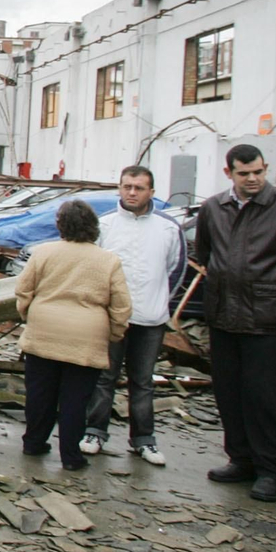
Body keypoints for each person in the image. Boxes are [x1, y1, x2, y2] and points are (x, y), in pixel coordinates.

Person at [196, 144, 276, 502]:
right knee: (229, 394)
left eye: (258, 172)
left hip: (270, 323)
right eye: (244, 173)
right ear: (229, 173)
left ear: (265, 168)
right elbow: (205, 254)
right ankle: (241, 460)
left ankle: (271, 471)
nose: (252, 179)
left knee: (264, 399)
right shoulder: (213, 208)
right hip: (225, 318)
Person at [79, 167, 186, 465]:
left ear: (151, 191)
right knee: (104, 377)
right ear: (120, 188)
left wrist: (160, 301)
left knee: (143, 381)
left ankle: (144, 440)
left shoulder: (167, 228)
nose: (132, 193)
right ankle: (94, 432)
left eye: (139, 188)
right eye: (127, 186)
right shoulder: (105, 226)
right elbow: (93, 268)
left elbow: (175, 268)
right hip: (111, 319)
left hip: (150, 320)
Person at [15, 201, 133, 470]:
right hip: (86, 337)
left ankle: (33, 442)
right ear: (94, 226)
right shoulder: (108, 261)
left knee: (39, 394)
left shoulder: (43, 253)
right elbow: (121, 305)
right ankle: (71, 456)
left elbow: (23, 290)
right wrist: (114, 332)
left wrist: (29, 314)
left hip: (44, 332)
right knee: (76, 399)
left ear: (60, 225)